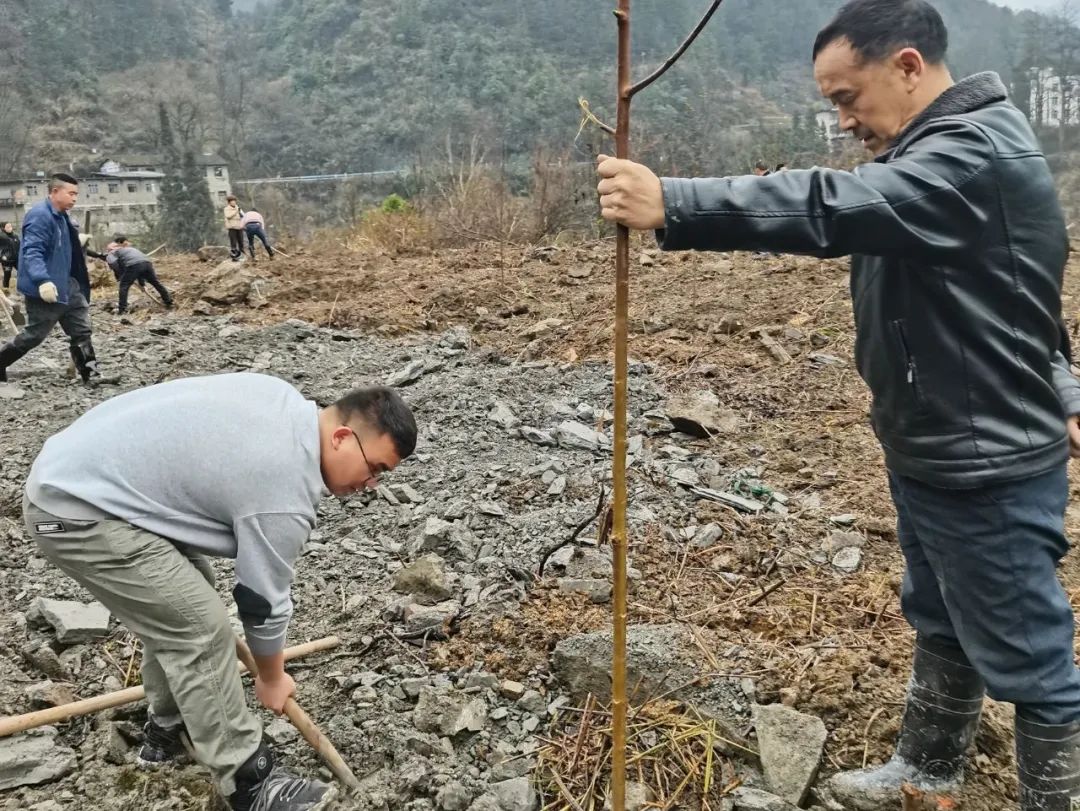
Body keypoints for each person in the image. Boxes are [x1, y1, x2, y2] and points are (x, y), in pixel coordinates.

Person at [596, 1, 1080, 808]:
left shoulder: (964, 157)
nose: (844, 120)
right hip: (937, 439)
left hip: (983, 456)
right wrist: (1063, 384)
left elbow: (831, 207)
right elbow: (1019, 296)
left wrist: (675, 202)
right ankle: (928, 766)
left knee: (1033, 658)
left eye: (847, 98)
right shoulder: (942, 151)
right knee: (942, 611)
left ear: (908, 67)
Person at [23, 373, 418, 811]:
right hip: (75, 510)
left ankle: (169, 726)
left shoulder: (285, 401)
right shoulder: (282, 489)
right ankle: (249, 782)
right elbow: (261, 603)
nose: (372, 485)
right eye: (376, 468)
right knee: (199, 630)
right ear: (343, 437)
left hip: (88, 476)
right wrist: (271, 677)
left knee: (184, 600)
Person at [0, 174, 106, 385]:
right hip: (46, 287)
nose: (75, 198)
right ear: (55, 192)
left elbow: (59, 247)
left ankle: (91, 375)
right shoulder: (40, 216)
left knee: (81, 330)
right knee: (34, 336)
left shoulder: (62, 216)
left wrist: (77, 241)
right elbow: (32, 251)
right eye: (71, 193)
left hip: (68, 284)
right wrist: (42, 281)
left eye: (77, 193)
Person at [104, 236, 174, 314]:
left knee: (124, 286)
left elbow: (113, 264)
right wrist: (142, 283)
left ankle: (122, 309)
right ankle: (168, 302)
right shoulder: (131, 249)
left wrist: (121, 275)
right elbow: (139, 268)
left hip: (134, 265)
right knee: (156, 283)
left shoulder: (112, 252)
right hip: (147, 263)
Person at [224, 194, 245, 261]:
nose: (234, 202)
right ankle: (234, 256)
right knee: (233, 243)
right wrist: (236, 211)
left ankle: (242, 255)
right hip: (232, 228)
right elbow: (228, 216)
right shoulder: (226, 209)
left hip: (239, 227)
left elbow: (243, 216)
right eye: (232, 201)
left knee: (241, 242)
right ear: (229, 202)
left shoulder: (238, 208)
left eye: (234, 201)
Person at [0, 221, 19, 291]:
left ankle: (21, 287)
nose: (10, 228)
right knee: (7, 275)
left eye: (10, 226)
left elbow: (19, 246)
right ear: (3, 228)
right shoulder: (1, 237)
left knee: (22, 271)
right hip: (7, 261)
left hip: (16, 259)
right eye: (8, 227)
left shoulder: (15, 236)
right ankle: (5, 289)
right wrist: (2, 256)